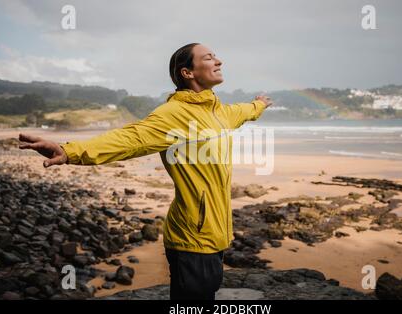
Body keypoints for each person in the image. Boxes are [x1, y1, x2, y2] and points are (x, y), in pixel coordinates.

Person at [19, 43, 272, 300]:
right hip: (192, 234)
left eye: (216, 56)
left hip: (216, 232)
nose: (219, 61)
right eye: (209, 58)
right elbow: (131, 139)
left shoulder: (218, 112)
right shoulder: (173, 115)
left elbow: (242, 112)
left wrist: (259, 104)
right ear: (188, 72)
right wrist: (69, 151)